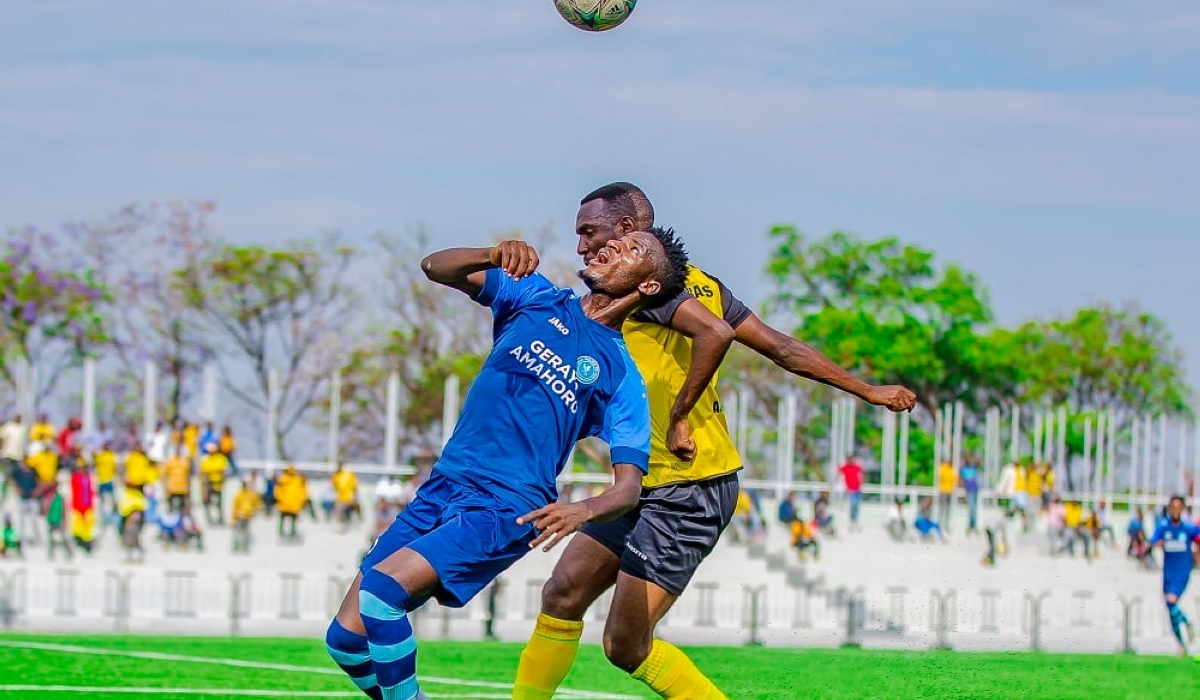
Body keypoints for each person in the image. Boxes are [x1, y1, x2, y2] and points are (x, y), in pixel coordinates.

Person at [511, 183, 915, 700]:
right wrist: (867, 390)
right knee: (562, 593)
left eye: (589, 232)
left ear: (628, 230)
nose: (582, 245)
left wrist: (680, 415)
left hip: (689, 486)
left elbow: (718, 336)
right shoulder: (697, 284)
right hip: (640, 482)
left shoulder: (651, 292)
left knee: (625, 646)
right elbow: (781, 347)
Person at [325, 231, 686, 700]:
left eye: (633, 249)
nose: (611, 246)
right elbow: (435, 267)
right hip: (443, 486)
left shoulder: (622, 376)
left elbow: (628, 489)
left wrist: (583, 510)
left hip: (506, 506)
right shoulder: (536, 296)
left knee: (381, 595)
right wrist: (490, 254)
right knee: (346, 640)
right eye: (615, 241)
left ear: (648, 286)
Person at [1149, 496, 1200, 656]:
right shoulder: (1163, 526)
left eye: (1179, 507)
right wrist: (1156, 543)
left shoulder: (1188, 528)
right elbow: (1152, 541)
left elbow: (1198, 538)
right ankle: (1181, 644)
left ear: (1182, 509)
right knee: (1170, 609)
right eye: (1173, 507)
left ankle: (1188, 624)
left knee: (1171, 602)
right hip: (1167, 573)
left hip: (1182, 572)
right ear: (1169, 509)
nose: (1176, 511)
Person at [199, 443, 230, 525]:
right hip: (209, 484)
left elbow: (224, 471)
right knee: (207, 502)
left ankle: (220, 518)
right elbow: (203, 473)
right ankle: (209, 519)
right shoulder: (205, 459)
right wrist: (204, 485)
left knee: (219, 503)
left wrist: (224, 481)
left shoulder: (221, 458)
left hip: (218, 483)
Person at [276, 465, 308, 541]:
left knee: (292, 519)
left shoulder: (297, 479)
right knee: (284, 518)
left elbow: (303, 489)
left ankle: (291, 532)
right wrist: (279, 499)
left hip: (292, 504)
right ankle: (282, 532)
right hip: (287, 504)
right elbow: (278, 490)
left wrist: (303, 499)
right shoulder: (284, 479)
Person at [0, 414, 25, 504]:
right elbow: (1, 438)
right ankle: (12, 491)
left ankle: (12, 494)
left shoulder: (22, 428)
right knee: (8, 475)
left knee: (14, 475)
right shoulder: (9, 426)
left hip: (17, 457)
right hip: (7, 454)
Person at [231, 480, 262, 553]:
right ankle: (236, 546)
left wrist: (254, 511)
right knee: (238, 531)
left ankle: (245, 547)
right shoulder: (239, 495)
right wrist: (234, 518)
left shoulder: (251, 495)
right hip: (239, 516)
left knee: (246, 531)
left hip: (247, 516)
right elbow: (235, 507)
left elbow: (256, 503)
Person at [839, 453, 864, 533]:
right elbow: (838, 474)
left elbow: (861, 474)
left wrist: (861, 484)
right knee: (853, 504)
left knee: (857, 506)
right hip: (850, 489)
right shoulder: (845, 467)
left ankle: (855, 521)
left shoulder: (856, 466)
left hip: (858, 489)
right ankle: (852, 521)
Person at [332, 463, 359, 532]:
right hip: (341, 498)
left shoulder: (349, 475)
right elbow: (335, 487)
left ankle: (347, 524)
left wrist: (355, 497)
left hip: (349, 497)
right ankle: (342, 525)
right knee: (338, 510)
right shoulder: (336, 476)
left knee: (342, 509)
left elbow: (355, 487)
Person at [959, 456, 981, 535]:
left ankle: (972, 525)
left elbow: (978, 462)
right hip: (969, 490)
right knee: (972, 508)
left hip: (975, 490)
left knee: (974, 508)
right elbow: (961, 480)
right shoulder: (963, 469)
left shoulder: (973, 468)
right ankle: (972, 526)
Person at [936, 460, 956, 533]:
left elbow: (954, 479)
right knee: (942, 508)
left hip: (949, 491)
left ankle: (946, 525)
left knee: (948, 509)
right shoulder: (942, 468)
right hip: (943, 491)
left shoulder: (951, 469)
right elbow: (941, 477)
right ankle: (940, 524)